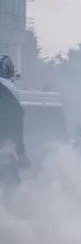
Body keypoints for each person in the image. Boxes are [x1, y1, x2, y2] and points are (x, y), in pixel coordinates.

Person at [0, 56, 28, 200]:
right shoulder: (10, 89)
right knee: (11, 182)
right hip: (4, 144)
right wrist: (21, 152)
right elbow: (16, 121)